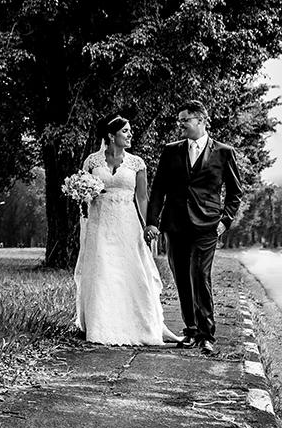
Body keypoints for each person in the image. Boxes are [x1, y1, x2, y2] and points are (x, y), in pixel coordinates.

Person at [145, 100, 243, 355]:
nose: (181, 125)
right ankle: (190, 329)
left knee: (199, 275)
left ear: (200, 120)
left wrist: (225, 221)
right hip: (175, 224)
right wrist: (152, 222)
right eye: (180, 120)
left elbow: (235, 192)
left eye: (185, 120)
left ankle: (206, 334)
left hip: (207, 225)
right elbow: (158, 189)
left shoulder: (223, 152)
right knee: (182, 278)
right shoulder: (170, 151)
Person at [74, 115, 182, 345]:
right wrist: (83, 194)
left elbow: (142, 198)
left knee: (131, 270)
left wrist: (148, 225)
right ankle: (101, 324)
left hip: (126, 222)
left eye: (130, 130)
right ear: (111, 136)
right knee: (103, 270)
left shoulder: (137, 163)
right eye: (125, 131)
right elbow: (84, 198)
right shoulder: (91, 162)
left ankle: (145, 324)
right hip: (99, 222)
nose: (130, 134)